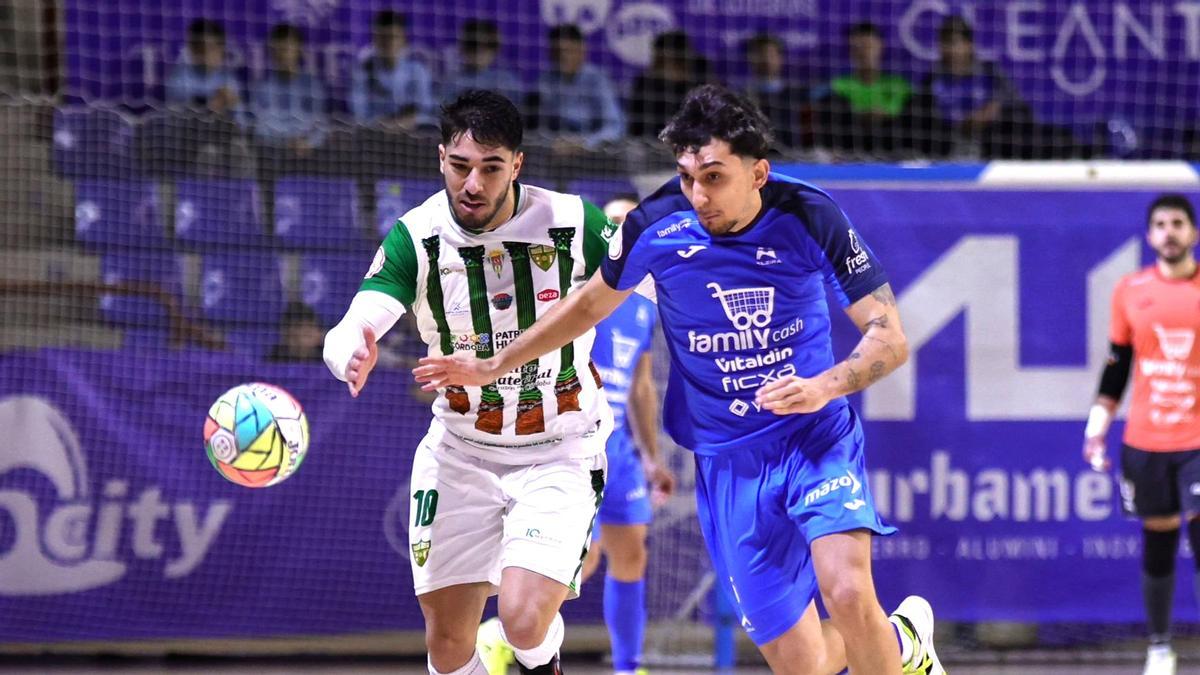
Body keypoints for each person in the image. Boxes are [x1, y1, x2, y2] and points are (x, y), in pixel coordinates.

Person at [414, 84, 944, 675]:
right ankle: (902, 644)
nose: (697, 194)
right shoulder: (656, 223)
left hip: (812, 438)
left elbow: (889, 336)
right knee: (803, 662)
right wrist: (492, 365)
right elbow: (587, 306)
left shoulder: (808, 213)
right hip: (726, 459)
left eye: (713, 177)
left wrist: (827, 385)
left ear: (758, 172)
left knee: (847, 592)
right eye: (687, 176)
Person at [323, 89, 618, 675]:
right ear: (440, 160)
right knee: (449, 646)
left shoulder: (573, 222)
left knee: (523, 618)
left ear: (517, 165)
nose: (473, 185)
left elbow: (658, 281)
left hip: (558, 448)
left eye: (490, 167)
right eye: (460, 167)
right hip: (460, 452)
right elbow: (355, 320)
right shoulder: (418, 235)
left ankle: (544, 661)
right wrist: (348, 349)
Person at [1084, 194, 1200, 675]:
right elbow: (1118, 366)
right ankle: (1159, 647)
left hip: (1197, 439)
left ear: (1192, 231)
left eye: (1178, 223)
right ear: (1150, 236)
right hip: (1147, 441)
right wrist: (1097, 429)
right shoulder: (1130, 291)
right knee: (1160, 537)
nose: (1169, 232)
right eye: (1160, 225)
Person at [577, 196, 675, 675]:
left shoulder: (645, 300)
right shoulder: (580, 287)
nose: (622, 230)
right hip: (574, 438)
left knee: (631, 551)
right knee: (582, 560)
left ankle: (629, 667)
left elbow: (640, 385)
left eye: (633, 222)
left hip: (618, 445)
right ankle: (500, 640)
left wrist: (652, 458)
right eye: (614, 221)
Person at [815, 22, 913, 154]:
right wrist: (861, 115)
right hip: (852, 141)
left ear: (881, 47)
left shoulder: (899, 84)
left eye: (869, 46)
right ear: (851, 51)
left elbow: (900, 114)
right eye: (858, 47)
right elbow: (815, 99)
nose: (864, 52)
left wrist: (883, 114)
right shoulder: (838, 84)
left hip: (890, 140)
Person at [534, 24, 625, 154]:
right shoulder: (544, 80)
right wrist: (553, 143)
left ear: (582, 51)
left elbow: (615, 127)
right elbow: (538, 125)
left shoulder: (597, 80)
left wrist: (584, 143)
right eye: (557, 51)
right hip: (555, 150)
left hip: (592, 151)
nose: (563, 57)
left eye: (568, 51)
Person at [249, 24, 329, 157]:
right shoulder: (262, 87)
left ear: (299, 50)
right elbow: (260, 126)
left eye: (287, 48)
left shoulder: (312, 85)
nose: (282, 54)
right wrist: (285, 142)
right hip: (274, 151)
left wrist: (309, 142)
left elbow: (321, 123)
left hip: (307, 149)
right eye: (277, 49)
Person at [350, 10, 435, 128]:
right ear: (374, 39)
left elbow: (426, 112)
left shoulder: (418, 71)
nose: (388, 42)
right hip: (375, 135)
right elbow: (360, 115)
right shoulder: (363, 72)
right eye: (382, 37)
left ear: (404, 40)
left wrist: (398, 124)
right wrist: (383, 125)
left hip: (411, 134)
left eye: (393, 37)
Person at [166, 18, 244, 120]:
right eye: (205, 49)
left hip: (221, 133)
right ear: (193, 49)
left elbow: (241, 119)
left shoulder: (228, 78)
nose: (211, 54)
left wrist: (232, 102)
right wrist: (214, 100)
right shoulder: (180, 77)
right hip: (187, 132)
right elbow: (181, 105)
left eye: (215, 48)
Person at [441, 19, 523, 112]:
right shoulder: (453, 83)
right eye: (473, 44)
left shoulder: (508, 81)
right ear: (462, 47)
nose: (480, 50)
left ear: (497, 48)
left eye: (489, 45)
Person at [742, 33, 805, 149]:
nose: (765, 60)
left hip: (793, 158)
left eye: (771, 54)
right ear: (749, 58)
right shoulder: (742, 96)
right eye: (760, 54)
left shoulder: (797, 94)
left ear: (780, 58)